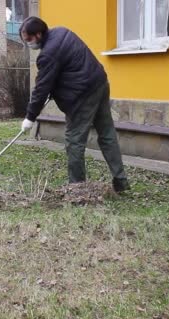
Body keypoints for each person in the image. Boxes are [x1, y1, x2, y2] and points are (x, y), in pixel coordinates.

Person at [20, 17, 130, 193]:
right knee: (107, 134)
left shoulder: (48, 54)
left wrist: (30, 117)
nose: (27, 44)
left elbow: (41, 88)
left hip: (83, 95)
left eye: (28, 40)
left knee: (74, 141)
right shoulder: (62, 31)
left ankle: (77, 189)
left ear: (39, 34)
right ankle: (121, 181)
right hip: (100, 83)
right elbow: (69, 67)